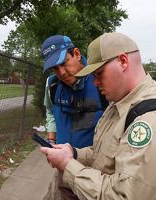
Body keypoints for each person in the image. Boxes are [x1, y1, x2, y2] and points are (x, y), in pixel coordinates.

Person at [40, 32, 156, 199]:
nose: (95, 82)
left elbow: (122, 196)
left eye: (99, 73)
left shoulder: (153, 120)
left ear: (122, 61)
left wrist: (67, 165)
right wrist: (73, 154)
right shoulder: (118, 104)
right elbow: (102, 155)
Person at [41, 35, 106, 200]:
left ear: (77, 54)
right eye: (55, 68)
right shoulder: (52, 85)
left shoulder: (100, 80)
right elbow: (50, 112)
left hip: (95, 170)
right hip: (64, 167)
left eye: (64, 63)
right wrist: (52, 141)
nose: (61, 72)